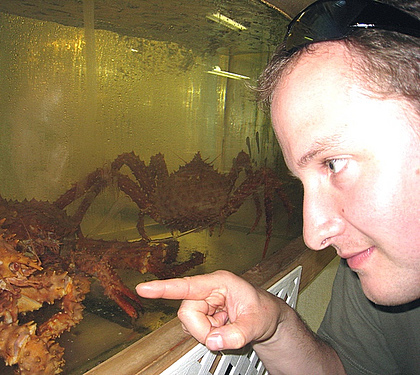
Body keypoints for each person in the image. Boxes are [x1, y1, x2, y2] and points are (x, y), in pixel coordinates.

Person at [136, 0, 420, 374]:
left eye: (333, 164)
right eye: (302, 183)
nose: (313, 235)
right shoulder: (380, 268)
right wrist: (274, 326)